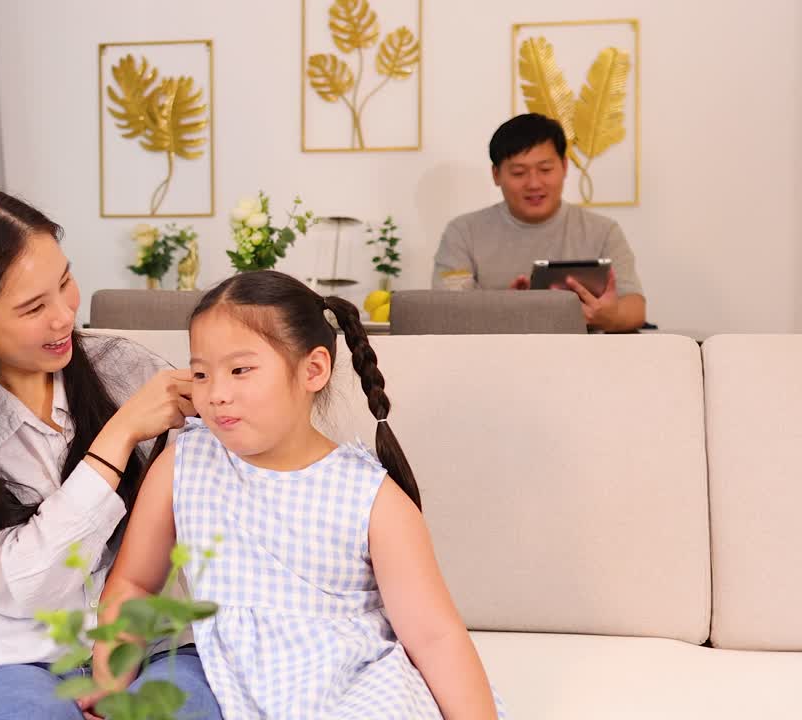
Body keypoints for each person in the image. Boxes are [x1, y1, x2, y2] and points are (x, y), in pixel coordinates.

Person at [0, 189, 221, 720]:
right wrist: (118, 436)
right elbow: (20, 591)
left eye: (64, 283)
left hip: (150, 646)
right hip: (6, 661)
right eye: (34, 307)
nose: (64, 318)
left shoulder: (123, 368)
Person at [94, 270, 506, 718]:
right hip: (229, 681)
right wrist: (109, 681)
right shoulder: (183, 465)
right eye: (201, 374)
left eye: (240, 370)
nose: (216, 394)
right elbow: (134, 583)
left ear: (313, 370)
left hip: (354, 685)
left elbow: (434, 635)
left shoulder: (369, 494)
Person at [433, 113, 647, 331]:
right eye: (519, 173)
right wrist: (505, 310)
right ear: (496, 175)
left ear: (564, 166)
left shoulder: (602, 231)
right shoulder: (463, 233)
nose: (534, 183)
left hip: (581, 357)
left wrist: (609, 316)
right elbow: (447, 311)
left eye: (545, 170)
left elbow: (635, 308)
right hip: (491, 359)